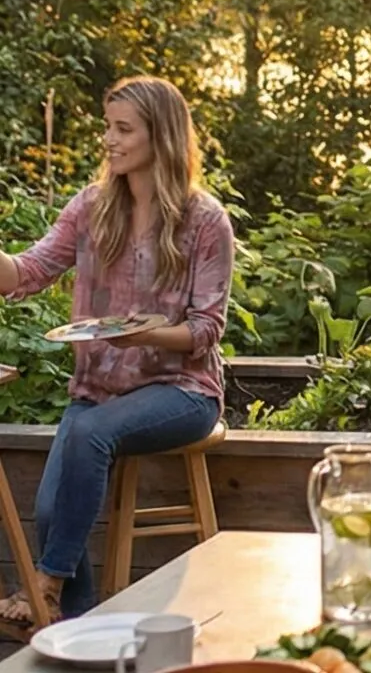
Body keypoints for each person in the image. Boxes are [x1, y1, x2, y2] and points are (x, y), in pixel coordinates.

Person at [0, 77, 233, 631]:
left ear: (163, 136)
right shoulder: (93, 207)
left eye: (123, 129)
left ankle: (48, 585)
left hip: (182, 391)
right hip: (99, 391)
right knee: (54, 510)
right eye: (108, 126)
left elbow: (206, 330)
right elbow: (28, 271)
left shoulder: (205, 222)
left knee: (86, 434)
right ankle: (81, 626)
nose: (108, 138)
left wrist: (149, 334)